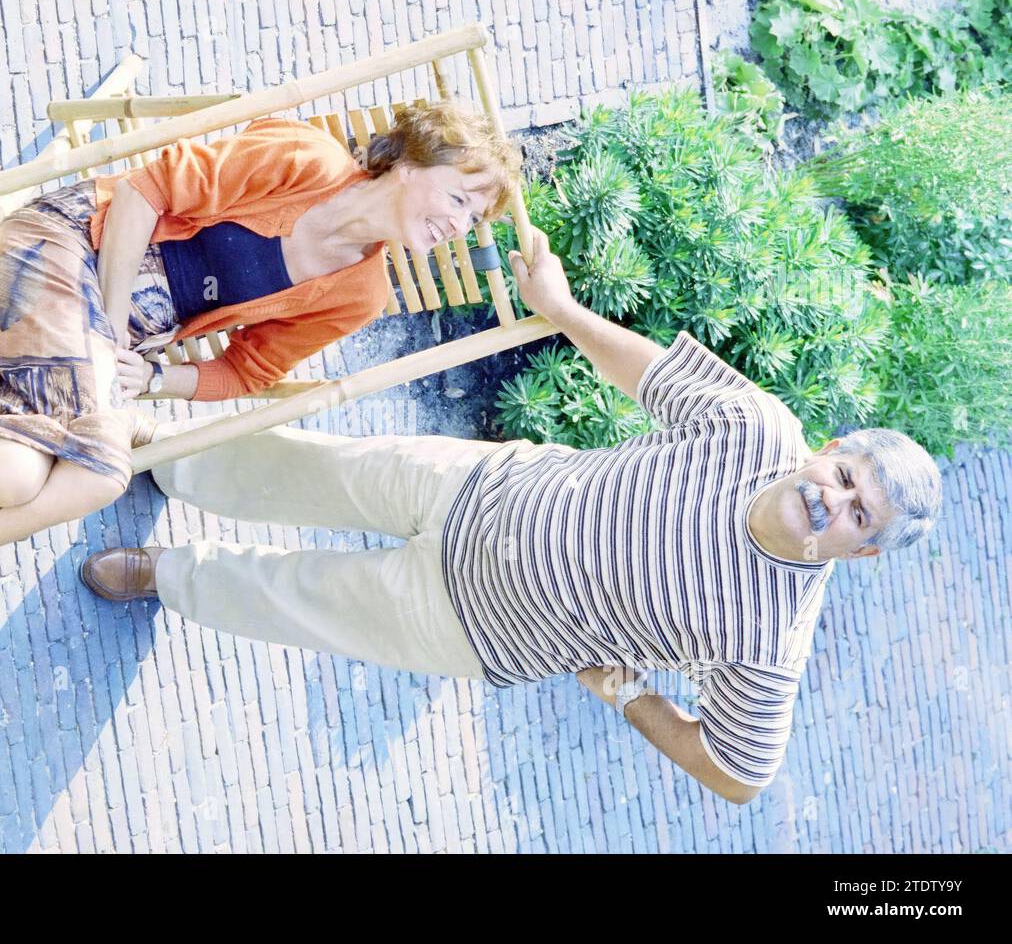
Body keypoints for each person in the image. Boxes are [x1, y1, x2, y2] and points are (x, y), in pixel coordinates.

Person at [81, 224, 944, 806]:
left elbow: (741, 776)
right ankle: (161, 455)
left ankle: (167, 576)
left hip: (471, 626)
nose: (832, 499)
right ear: (827, 451)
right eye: (844, 475)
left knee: (301, 597)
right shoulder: (759, 427)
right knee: (317, 465)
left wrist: (633, 697)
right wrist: (562, 312)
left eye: (857, 515)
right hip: (479, 486)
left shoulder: (772, 636)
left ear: (860, 553)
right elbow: (651, 377)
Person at [0, 101, 522, 690]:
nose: (463, 223)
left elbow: (247, 370)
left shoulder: (361, 294)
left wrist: (154, 376)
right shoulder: (306, 160)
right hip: (67, 247)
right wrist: (104, 327)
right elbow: (144, 193)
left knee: (21, 479)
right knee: (96, 474)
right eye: (460, 197)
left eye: (477, 216)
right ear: (413, 161)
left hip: (99, 356)